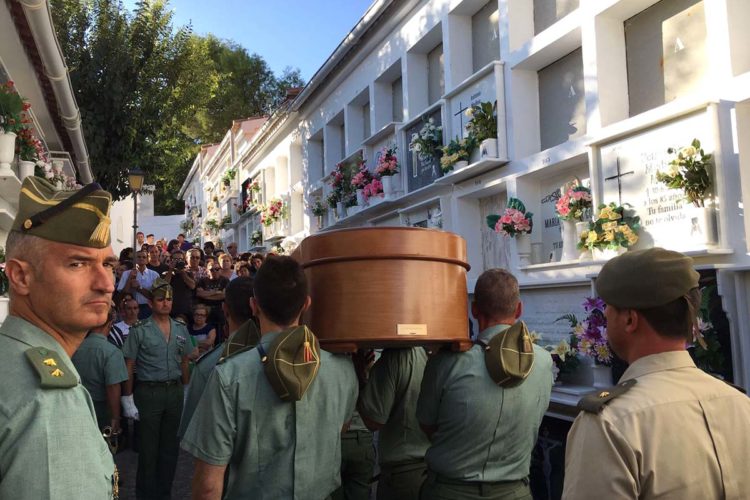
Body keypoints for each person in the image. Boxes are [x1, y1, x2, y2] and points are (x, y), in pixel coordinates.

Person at [563, 248, 750, 499]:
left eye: (608, 308)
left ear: (630, 320)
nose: (604, 315)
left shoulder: (612, 423)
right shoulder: (740, 403)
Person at [182, 256, 358, 498]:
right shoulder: (342, 370)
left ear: (254, 306)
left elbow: (208, 486)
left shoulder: (229, 376)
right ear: (306, 304)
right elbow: (340, 429)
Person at [0, 177, 118, 497]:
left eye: (108, 264)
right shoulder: (48, 399)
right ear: (21, 276)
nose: (105, 284)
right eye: (77, 263)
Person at [417, 268, 553, 500]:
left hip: (451, 491)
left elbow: (428, 425)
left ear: (474, 309)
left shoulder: (446, 363)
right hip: (515, 492)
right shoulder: (543, 361)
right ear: (518, 309)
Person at [121, 278, 196, 499]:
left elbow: (184, 361)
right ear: (151, 303)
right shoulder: (139, 330)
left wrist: (186, 389)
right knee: (148, 450)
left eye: (169, 299)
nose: (166, 303)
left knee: (170, 450)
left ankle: (164, 494)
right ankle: (145, 495)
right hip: (148, 392)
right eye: (161, 299)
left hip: (173, 391)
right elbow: (129, 364)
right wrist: (127, 397)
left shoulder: (181, 329)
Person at [178, 276, 260, 439]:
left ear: (224, 309)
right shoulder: (283, 355)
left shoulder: (208, 366)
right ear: (256, 306)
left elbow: (196, 434)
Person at [359, 347, 430, 500]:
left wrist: (360, 380)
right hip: (433, 470)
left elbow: (374, 421)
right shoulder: (439, 354)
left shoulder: (395, 356)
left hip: (403, 473)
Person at [72, 306, 129, 434]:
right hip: (101, 411)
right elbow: (113, 387)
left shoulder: (74, 347)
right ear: (110, 325)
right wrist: (115, 417)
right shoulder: (112, 352)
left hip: (77, 406)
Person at [118, 249, 159, 319]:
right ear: (134, 259)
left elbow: (155, 296)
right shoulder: (127, 273)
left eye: (144, 257)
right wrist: (130, 278)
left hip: (148, 308)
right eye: (139, 257)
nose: (141, 259)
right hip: (130, 308)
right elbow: (123, 294)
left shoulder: (154, 274)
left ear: (147, 259)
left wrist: (139, 287)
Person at [196, 260, 229, 342]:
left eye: (217, 269)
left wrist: (207, 295)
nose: (214, 271)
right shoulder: (202, 281)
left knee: (220, 337)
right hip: (207, 311)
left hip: (220, 311)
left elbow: (224, 295)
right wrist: (216, 292)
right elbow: (199, 293)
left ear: (220, 270)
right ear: (207, 271)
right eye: (212, 269)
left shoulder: (225, 280)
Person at [163, 249, 196, 321]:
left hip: (184, 310)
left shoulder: (188, 273)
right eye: (175, 259)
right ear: (171, 260)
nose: (178, 261)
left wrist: (182, 272)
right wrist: (171, 270)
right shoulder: (166, 273)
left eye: (180, 259)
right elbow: (164, 286)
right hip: (170, 309)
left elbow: (192, 286)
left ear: (184, 261)